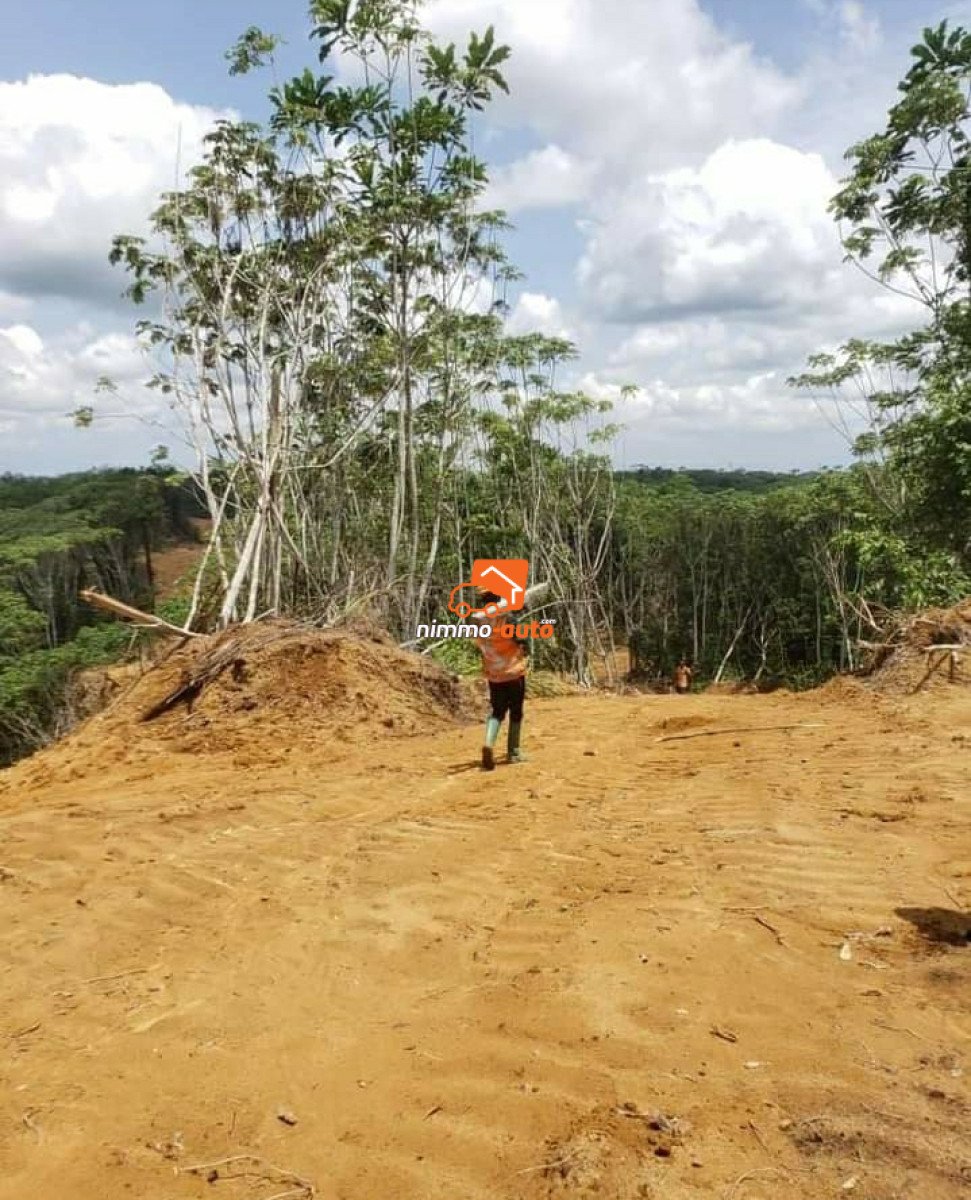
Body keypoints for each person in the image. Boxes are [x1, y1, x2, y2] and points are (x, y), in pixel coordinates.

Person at [475, 590, 529, 770]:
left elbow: (479, 646)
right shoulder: (508, 619)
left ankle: (488, 743)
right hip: (513, 672)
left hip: (494, 674)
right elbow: (521, 639)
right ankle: (514, 752)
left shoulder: (479, 622)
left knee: (497, 711)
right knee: (516, 711)